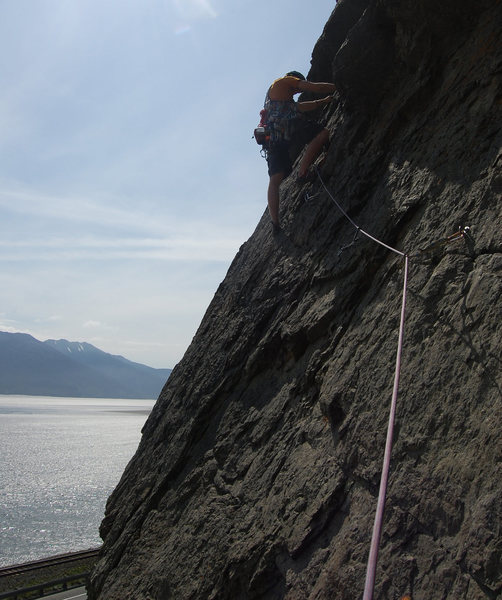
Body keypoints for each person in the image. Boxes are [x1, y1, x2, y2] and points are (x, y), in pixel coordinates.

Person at [262, 71, 336, 231]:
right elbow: (316, 87)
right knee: (322, 134)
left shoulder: (277, 99)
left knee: (275, 179)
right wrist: (338, 86)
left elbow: (305, 106)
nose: (297, 92)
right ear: (295, 80)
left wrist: (324, 101)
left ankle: (275, 223)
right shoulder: (285, 81)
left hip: (274, 139)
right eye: (298, 89)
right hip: (289, 132)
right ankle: (303, 173)